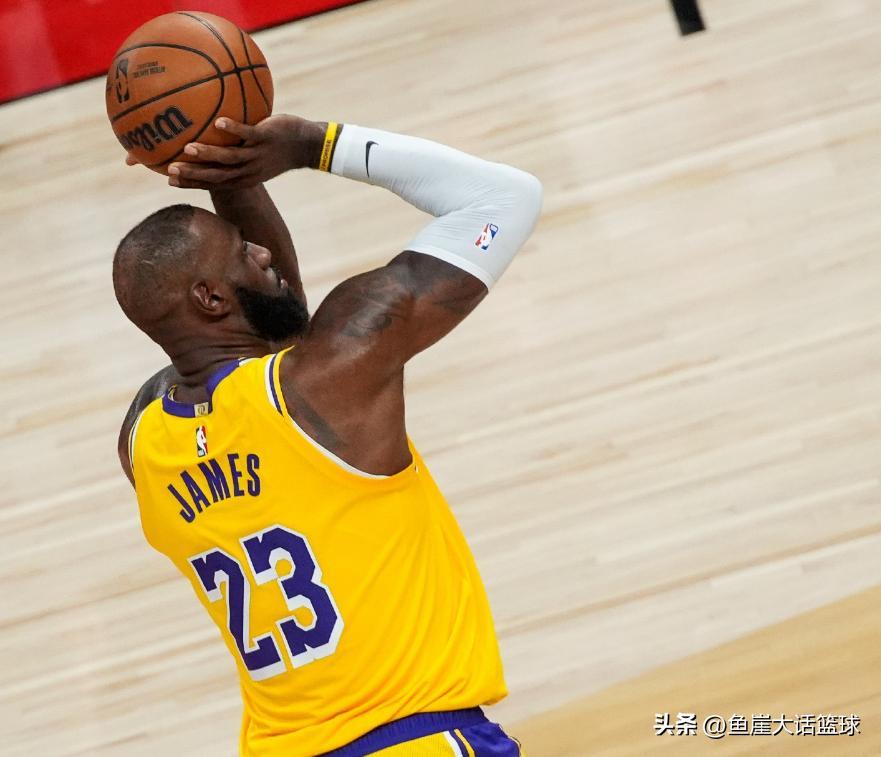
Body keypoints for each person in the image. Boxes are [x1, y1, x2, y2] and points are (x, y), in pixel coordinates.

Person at [114, 114, 542, 756]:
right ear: (210, 299)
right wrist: (310, 145)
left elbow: (269, 341)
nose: (263, 253)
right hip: (415, 739)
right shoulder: (326, 379)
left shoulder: (143, 441)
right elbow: (505, 197)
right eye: (244, 253)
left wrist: (232, 172)